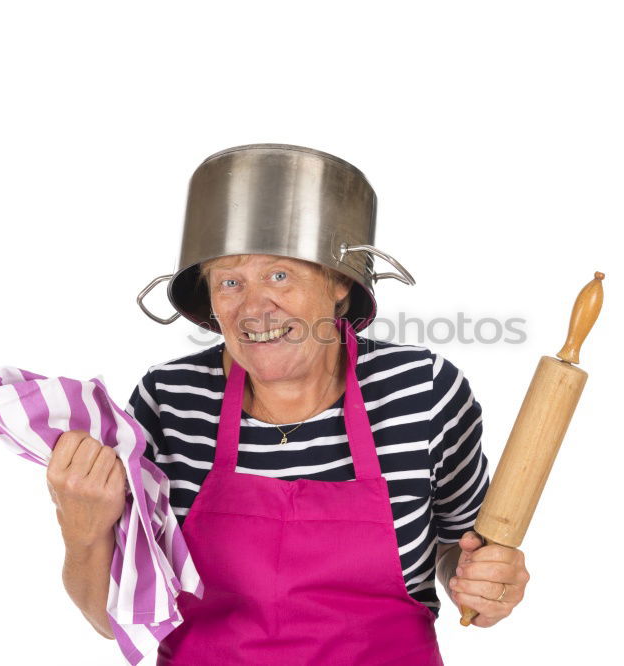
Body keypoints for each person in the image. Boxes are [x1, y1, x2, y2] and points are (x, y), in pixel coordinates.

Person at [45, 145, 530, 665]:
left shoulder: (423, 390)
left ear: (340, 281)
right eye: (230, 282)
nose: (254, 308)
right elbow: (112, 619)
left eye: (279, 275)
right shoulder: (168, 401)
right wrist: (82, 529)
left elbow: (461, 547)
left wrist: (486, 583)